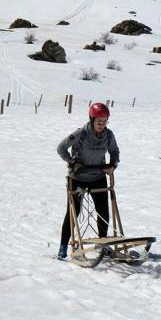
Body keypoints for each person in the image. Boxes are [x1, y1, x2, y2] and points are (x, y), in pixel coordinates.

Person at [56, 102, 119, 260]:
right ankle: (63, 245)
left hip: (98, 177)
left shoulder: (109, 135)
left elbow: (114, 151)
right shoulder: (81, 133)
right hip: (78, 178)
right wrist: (71, 162)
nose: (102, 125)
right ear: (91, 119)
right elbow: (61, 148)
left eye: (105, 121)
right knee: (73, 212)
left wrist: (112, 165)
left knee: (103, 211)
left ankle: (102, 243)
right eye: (99, 121)